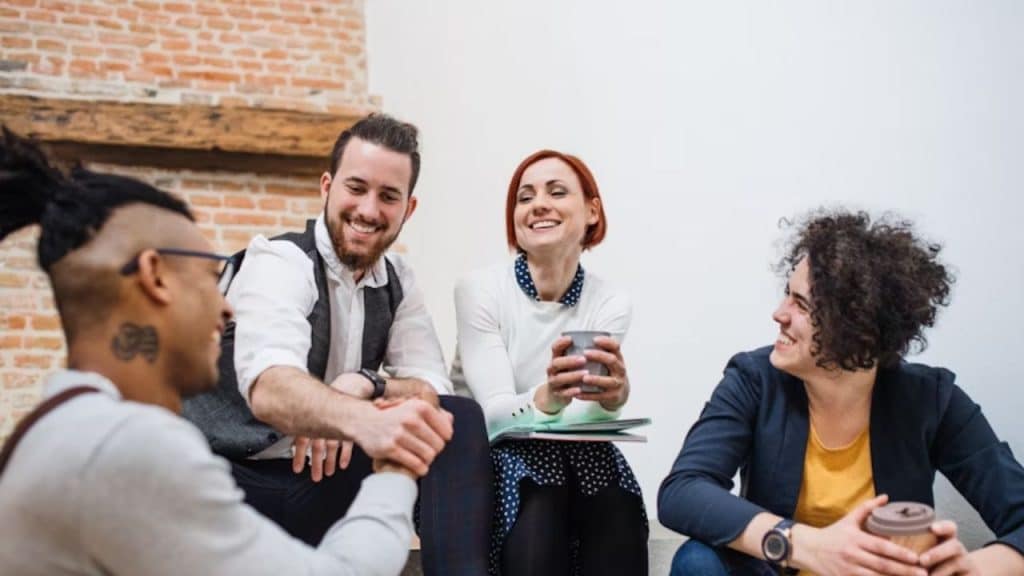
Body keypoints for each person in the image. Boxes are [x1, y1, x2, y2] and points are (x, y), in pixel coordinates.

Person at [0, 127, 454, 575]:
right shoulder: (128, 448)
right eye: (209, 276)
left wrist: (369, 387)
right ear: (155, 278)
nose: (227, 307)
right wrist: (394, 470)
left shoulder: (63, 425)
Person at [181, 113, 493, 575]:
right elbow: (270, 387)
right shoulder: (280, 261)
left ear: (408, 209)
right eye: (356, 188)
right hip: (235, 485)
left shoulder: (399, 282)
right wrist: (354, 419)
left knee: (458, 418)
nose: (369, 210)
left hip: (322, 485)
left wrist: (366, 384)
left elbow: (432, 388)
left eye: (388, 196)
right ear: (326, 187)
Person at [658, 209, 1024, 576]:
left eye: (801, 304)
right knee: (697, 561)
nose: (778, 314)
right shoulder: (754, 379)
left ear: (857, 330)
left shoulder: (932, 399)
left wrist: (970, 570)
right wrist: (804, 544)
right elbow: (684, 491)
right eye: (787, 295)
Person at [452, 150, 648, 575]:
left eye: (556, 192)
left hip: (581, 456)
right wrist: (547, 397)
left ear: (592, 211)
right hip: (497, 455)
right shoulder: (479, 290)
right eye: (525, 197)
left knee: (619, 508)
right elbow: (494, 419)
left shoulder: (611, 302)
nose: (538, 204)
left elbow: (590, 416)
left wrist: (614, 399)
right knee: (539, 502)